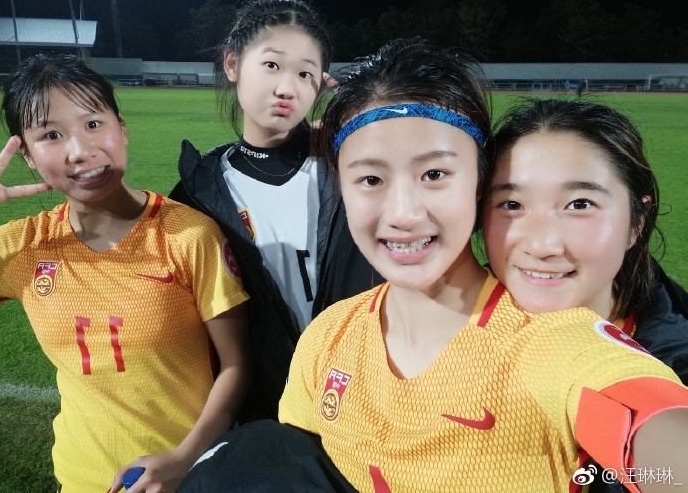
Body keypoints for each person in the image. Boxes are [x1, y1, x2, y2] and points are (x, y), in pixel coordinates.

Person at [179, 37, 688, 493]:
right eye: (370, 180)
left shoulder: (551, 339)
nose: (403, 214)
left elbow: (650, 429)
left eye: (435, 174)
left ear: (480, 184)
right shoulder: (328, 336)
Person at [0, 54, 250, 493]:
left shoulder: (187, 235)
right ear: (29, 156)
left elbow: (237, 364)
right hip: (80, 478)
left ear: (122, 127)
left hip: (187, 477)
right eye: (51, 135)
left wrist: (184, 458)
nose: (81, 150)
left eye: (93, 124)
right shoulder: (24, 246)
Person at [168, 0, 381, 422]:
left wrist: (372, 125)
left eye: (306, 74)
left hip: (361, 393)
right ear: (232, 64)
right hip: (263, 406)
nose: (287, 87)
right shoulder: (199, 192)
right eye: (272, 65)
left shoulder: (353, 167)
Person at [480, 98, 688, 491]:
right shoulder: (431, 333)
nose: (542, 245)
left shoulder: (675, 362)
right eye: (512, 204)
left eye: (580, 204)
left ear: (636, 223)